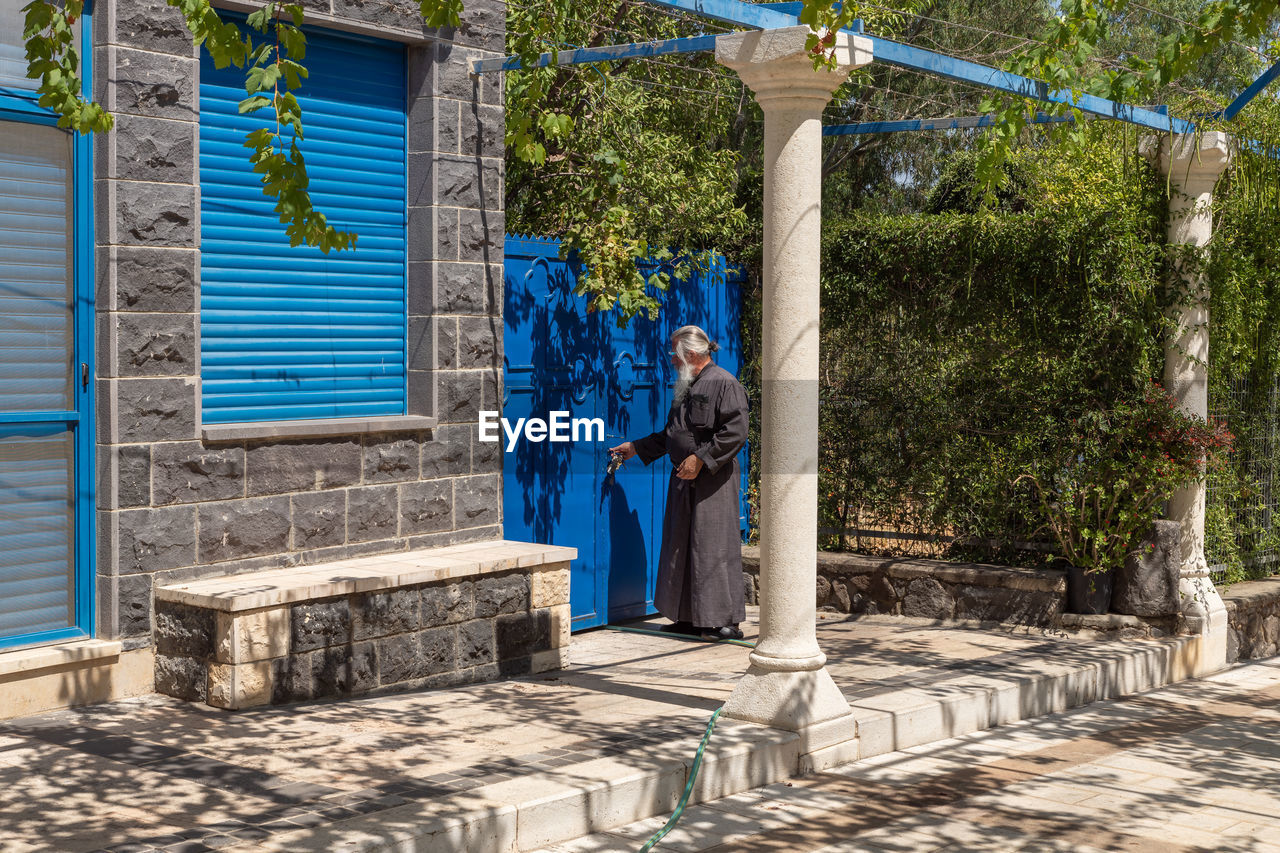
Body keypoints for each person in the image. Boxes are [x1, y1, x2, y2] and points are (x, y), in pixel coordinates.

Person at [609, 325, 750, 641]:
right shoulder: (687, 386)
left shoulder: (724, 384)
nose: (671, 359)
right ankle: (689, 617)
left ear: (691, 353)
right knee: (682, 546)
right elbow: (672, 433)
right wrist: (637, 448)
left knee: (713, 547)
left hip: (712, 482)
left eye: (674, 353)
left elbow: (735, 432)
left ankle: (725, 621)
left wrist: (700, 459)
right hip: (683, 480)